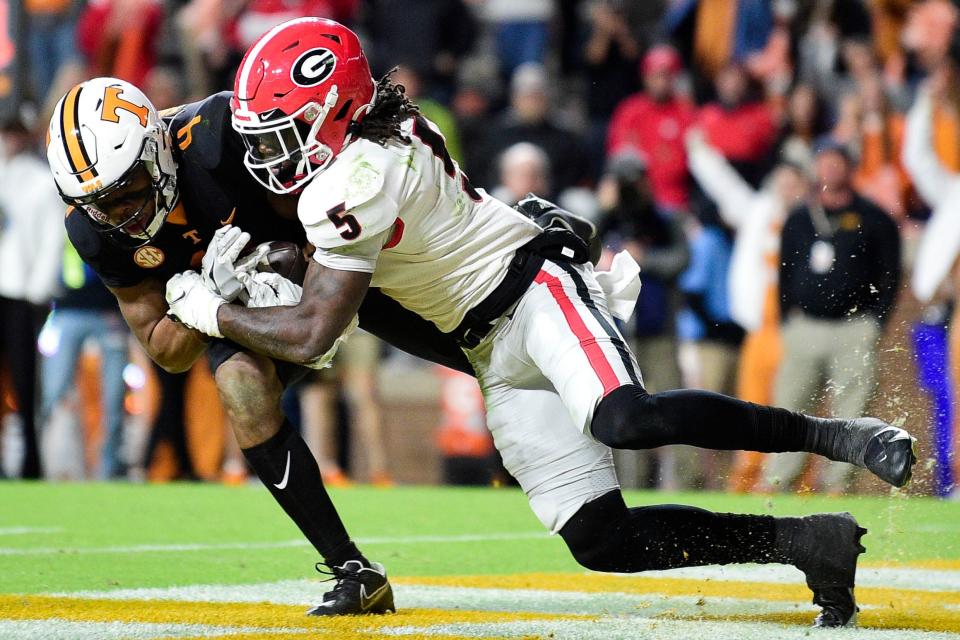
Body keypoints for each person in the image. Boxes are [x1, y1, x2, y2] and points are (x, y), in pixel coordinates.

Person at [166, 18, 918, 627]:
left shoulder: (356, 177)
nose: (268, 150)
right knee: (599, 538)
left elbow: (311, 334)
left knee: (626, 418)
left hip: (532, 292)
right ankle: (803, 542)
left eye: (283, 129)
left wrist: (216, 309)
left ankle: (840, 436)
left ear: (338, 112)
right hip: (489, 346)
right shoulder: (358, 153)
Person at [46, 76, 474, 615]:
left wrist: (290, 263)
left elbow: (335, 190)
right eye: (97, 204)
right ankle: (352, 568)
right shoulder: (92, 228)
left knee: (477, 349)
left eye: (127, 192)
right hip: (241, 307)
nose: (117, 215)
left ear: (154, 153)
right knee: (240, 386)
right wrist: (207, 298)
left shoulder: (218, 136)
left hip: (339, 259)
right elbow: (165, 349)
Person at [762, 141, 902, 494]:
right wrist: (787, 321)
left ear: (850, 167)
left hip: (853, 328)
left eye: (836, 163)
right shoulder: (798, 218)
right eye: (823, 163)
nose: (829, 170)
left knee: (851, 414)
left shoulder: (874, 218)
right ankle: (779, 483)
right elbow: (783, 272)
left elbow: (890, 276)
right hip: (805, 327)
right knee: (788, 408)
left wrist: (875, 323)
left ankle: (839, 485)